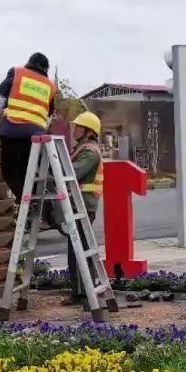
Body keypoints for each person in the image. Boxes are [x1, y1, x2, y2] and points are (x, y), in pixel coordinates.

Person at [0, 52, 57, 198]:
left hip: (11, 132)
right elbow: (49, 116)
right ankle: (30, 202)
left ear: (29, 62)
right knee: (26, 172)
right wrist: (40, 128)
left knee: (9, 173)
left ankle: (23, 200)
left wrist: (0, 120)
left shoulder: (17, 73)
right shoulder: (50, 86)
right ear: (46, 69)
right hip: (34, 136)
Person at [60, 111, 105, 307]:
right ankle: (78, 292)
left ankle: (87, 293)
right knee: (75, 248)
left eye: (79, 127)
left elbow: (74, 172)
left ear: (88, 131)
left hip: (84, 205)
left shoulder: (90, 152)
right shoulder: (81, 149)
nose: (75, 129)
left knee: (82, 248)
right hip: (77, 205)